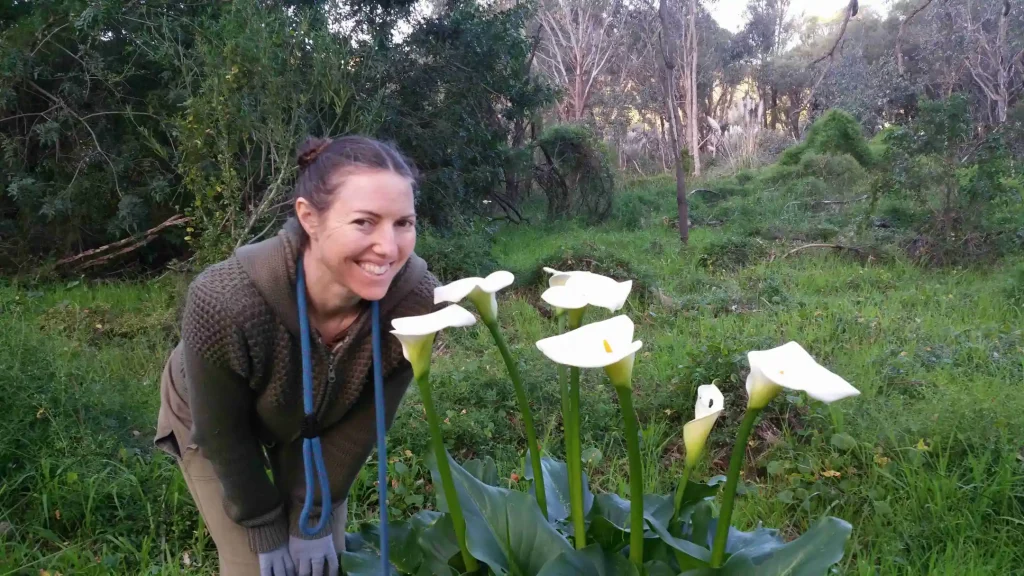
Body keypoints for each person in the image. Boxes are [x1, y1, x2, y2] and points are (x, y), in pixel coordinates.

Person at [155, 136, 438, 576]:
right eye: (365, 222)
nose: (389, 247)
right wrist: (265, 527)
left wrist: (313, 520)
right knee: (257, 567)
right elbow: (223, 435)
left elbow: (364, 420)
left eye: (404, 223)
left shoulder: (417, 302)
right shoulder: (225, 300)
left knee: (323, 560)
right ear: (309, 217)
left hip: (324, 414)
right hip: (211, 414)